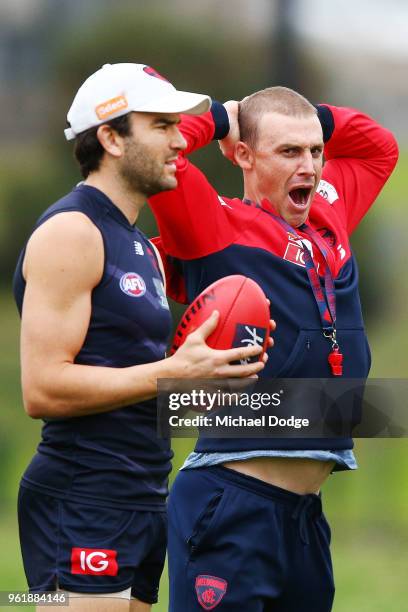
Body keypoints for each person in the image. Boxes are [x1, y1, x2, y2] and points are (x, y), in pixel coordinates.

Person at [12, 63, 267, 612]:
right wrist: (174, 372)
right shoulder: (71, 232)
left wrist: (214, 377)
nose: (181, 141)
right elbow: (43, 389)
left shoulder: (140, 246)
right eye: (161, 126)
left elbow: (136, 383)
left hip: (143, 495)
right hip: (83, 494)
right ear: (110, 138)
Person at [149, 88, 399, 610]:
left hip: (305, 515)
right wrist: (223, 119)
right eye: (288, 152)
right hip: (233, 501)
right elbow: (162, 152)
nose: (309, 165)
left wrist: (316, 119)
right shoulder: (211, 225)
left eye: (315, 151)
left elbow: (381, 147)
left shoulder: (329, 211)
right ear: (244, 155)